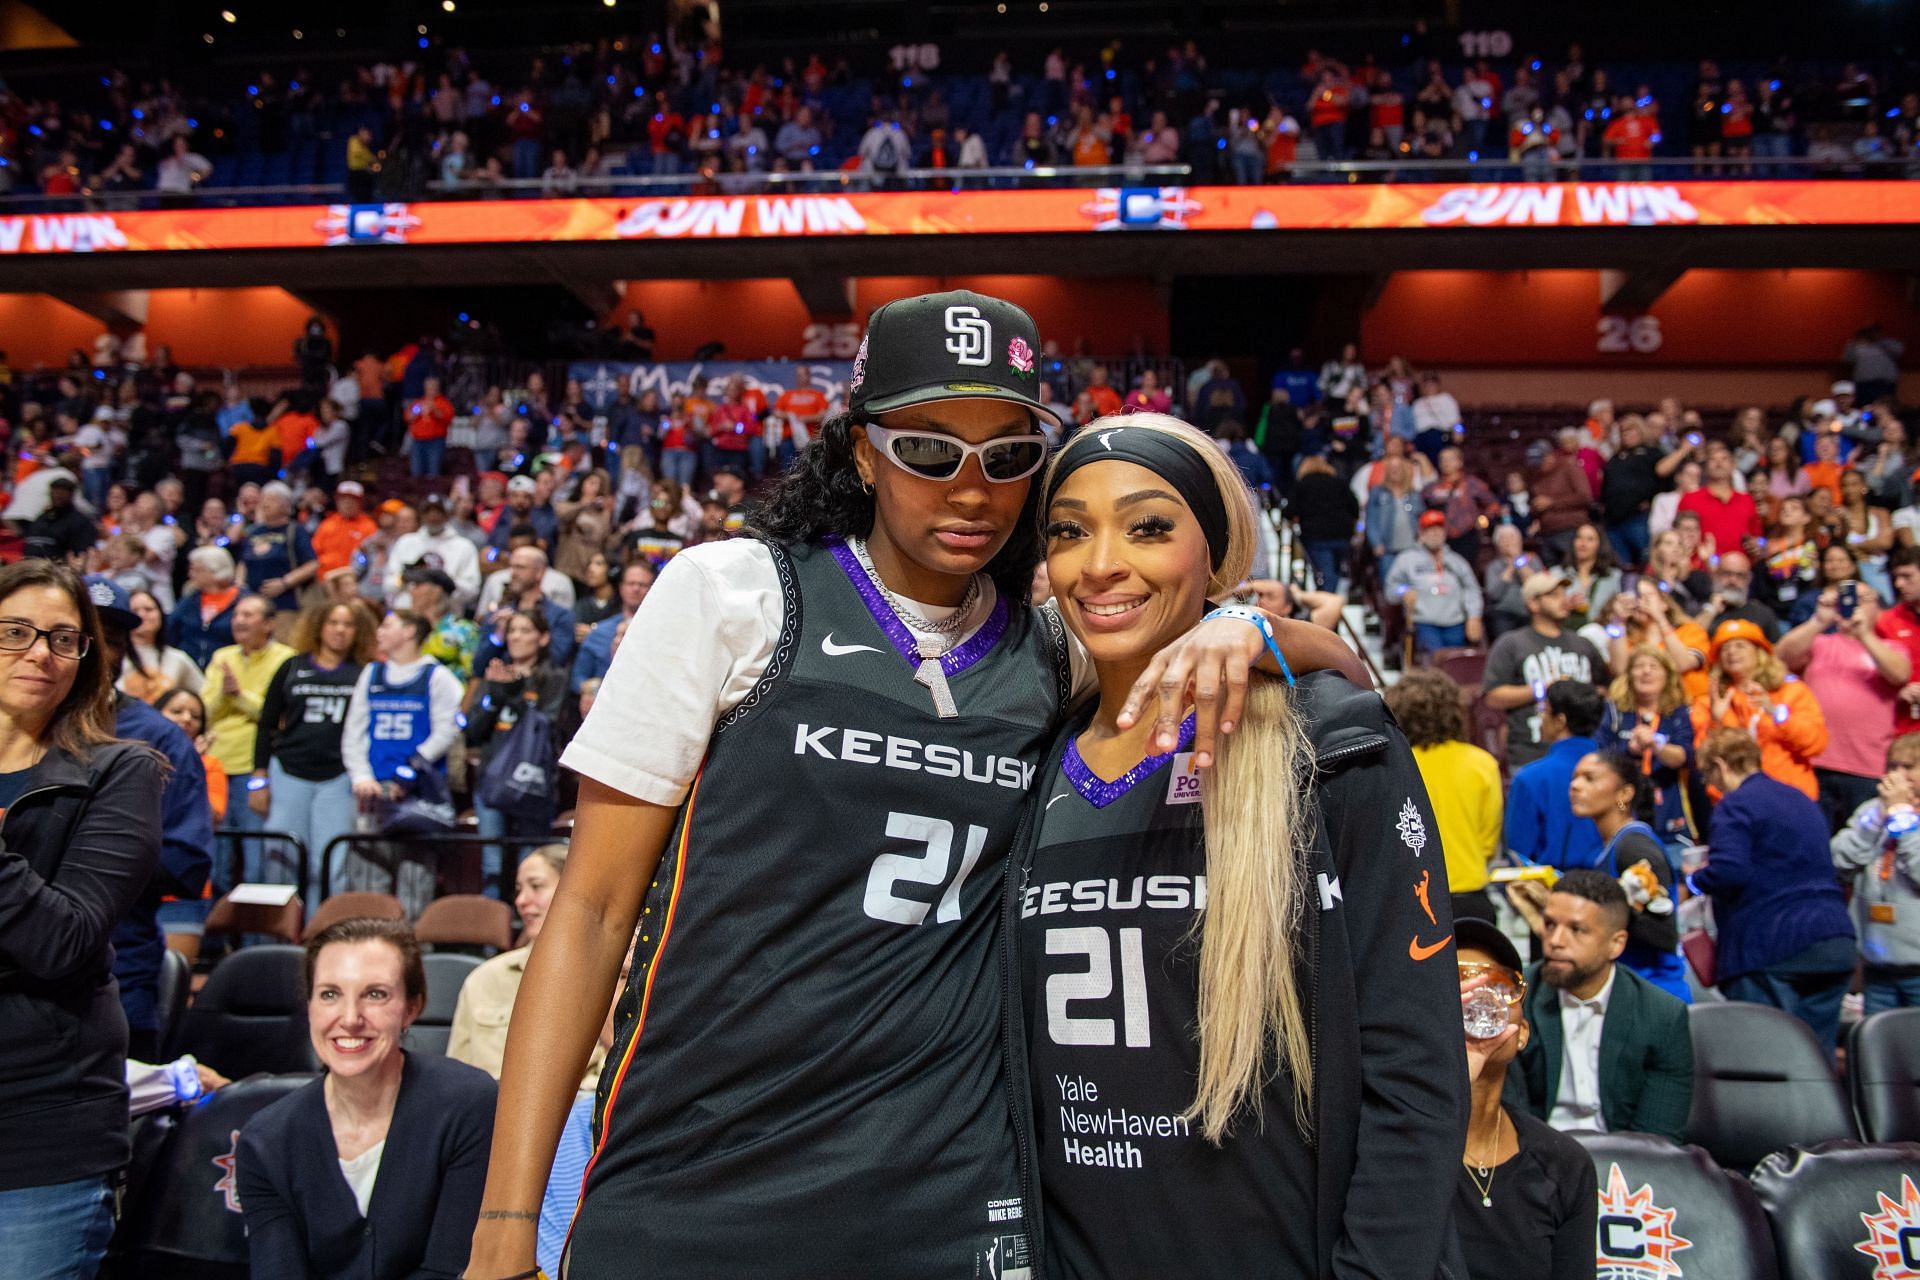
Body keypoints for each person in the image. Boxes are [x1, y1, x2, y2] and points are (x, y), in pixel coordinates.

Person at [462, 292, 1361, 1278]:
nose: (971, 489)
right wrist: (507, 1219)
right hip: (699, 1174)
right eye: (931, 451)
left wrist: (1258, 630)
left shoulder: (1054, 649)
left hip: (949, 1198)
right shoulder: (735, 593)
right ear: (861, 451)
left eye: (1008, 455)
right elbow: (588, 910)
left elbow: (1348, 674)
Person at [1019, 413, 1466, 1279]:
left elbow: (1415, 1074)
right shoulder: (1031, 760)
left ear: (1214, 553)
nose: (1101, 562)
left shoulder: (1332, 744)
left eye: (1149, 526)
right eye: (1069, 531)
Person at [0, 560, 163, 1279]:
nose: (41, 652)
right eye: (17, 632)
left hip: (40, 1132)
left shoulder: (121, 772)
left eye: (64, 639)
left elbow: (63, 940)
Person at [236, 919, 496, 1278]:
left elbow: (451, 1270)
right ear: (309, 1005)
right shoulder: (265, 1140)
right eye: (329, 994)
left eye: (375, 994)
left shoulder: (468, 1104)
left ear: (411, 1008)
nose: (350, 1018)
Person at [90, 576, 214, 1063]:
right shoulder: (19, 726)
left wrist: (81, 852)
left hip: (116, 975)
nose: (100, 650)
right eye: (84, 635)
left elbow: (187, 864)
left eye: (114, 639)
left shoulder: (159, 738)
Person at [1693, 727, 1857, 1058]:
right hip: (1834, 940)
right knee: (1816, 1062)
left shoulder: (1735, 804)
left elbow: (1729, 871)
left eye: (1708, 773)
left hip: (1771, 943)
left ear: (1722, 765)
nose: (1711, 784)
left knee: (1767, 1059)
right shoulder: (1800, 799)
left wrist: (1696, 879)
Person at [1451, 918, 1597, 1280]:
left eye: (1497, 986)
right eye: (1458, 983)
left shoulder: (1565, 1163)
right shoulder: (1392, 1147)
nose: (1478, 998)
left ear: (1522, 1034)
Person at [1506, 870, 1693, 1140]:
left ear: (1616, 944)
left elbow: (1658, 1141)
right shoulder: (1517, 1000)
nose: (1555, 941)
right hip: (1537, 1162)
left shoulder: (1663, 1016)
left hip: (1626, 1166)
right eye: (1549, 925)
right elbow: (1509, 1124)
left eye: (1577, 930)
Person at [447, 845, 605, 1091]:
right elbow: (456, 1081)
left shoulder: (612, 979)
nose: (521, 901)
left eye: (536, 886)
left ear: (574, 889)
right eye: (519, 890)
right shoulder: (485, 980)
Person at [254, 600, 377, 906]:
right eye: (333, 622)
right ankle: (278, 939)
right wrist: (259, 779)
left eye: (348, 625)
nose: (340, 631)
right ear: (319, 626)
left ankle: (319, 935)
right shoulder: (293, 667)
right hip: (288, 771)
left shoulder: (363, 674)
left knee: (330, 863)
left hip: (338, 777)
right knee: (280, 858)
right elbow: (267, 723)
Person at [1776, 579, 1909, 830]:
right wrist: (1819, 620)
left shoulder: (1890, 647)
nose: (1853, 605)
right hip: (1815, 764)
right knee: (1817, 845)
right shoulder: (1819, 643)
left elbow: (1899, 673)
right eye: (1848, 599)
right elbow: (1781, 657)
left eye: (1863, 600)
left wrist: (1864, 634)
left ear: (1877, 607)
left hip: (1867, 768)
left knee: (1864, 847)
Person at [1560, 751, 1689, 1000]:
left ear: (1625, 793)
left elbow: (1664, 934)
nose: (1575, 786)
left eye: (1590, 778)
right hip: (1628, 990)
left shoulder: (1634, 846)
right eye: (1574, 778)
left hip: (1654, 994)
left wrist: (1597, 909)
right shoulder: (1606, 848)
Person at [1387, 667, 1503, 924]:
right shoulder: (1482, 763)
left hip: (1413, 897)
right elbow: (1488, 842)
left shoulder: (1393, 765)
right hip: (1471, 899)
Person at [465, 609, 568, 893]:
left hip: (533, 782)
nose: (516, 637)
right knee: (492, 868)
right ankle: (491, 937)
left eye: (525, 630)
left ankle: (529, 936)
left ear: (543, 637)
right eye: (512, 631)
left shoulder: (554, 677)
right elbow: (473, 730)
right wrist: (496, 699)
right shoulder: (495, 675)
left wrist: (517, 695)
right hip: (492, 782)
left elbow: (550, 724)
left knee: (532, 866)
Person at [203, 594, 296, 887]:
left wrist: (239, 696)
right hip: (218, 762)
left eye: (248, 615)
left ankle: (256, 934)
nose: (239, 621)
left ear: (269, 624)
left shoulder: (285, 658)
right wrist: (225, 694)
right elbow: (205, 711)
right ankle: (216, 932)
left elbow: (275, 715)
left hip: (254, 767)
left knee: (256, 860)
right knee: (217, 861)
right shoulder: (223, 656)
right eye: (236, 615)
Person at [1691, 617, 1827, 801]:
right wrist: (1717, 721)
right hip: (1734, 801)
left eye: (1740, 646)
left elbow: (1815, 744)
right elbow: (1703, 759)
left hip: (1789, 796)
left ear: (1759, 652)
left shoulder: (1792, 691)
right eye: (1725, 648)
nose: (1732, 652)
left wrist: (1776, 714)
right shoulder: (1709, 701)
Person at [1831, 734, 1920, 1013]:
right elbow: (1838, 860)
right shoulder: (1871, 812)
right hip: (1878, 965)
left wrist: (1902, 818)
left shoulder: (1900, 816)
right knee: (1882, 1049)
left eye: (1907, 767)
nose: (1896, 776)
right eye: (1892, 766)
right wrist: (1876, 823)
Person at [1481, 572, 1606, 770]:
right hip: (1531, 752)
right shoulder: (1511, 644)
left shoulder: (1582, 644)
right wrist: (1543, 689)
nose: (1563, 600)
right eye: (1553, 595)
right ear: (1533, 604)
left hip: (1585, 753)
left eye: (1564, 594)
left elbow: (1604, 688)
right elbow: (1493, 696)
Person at [1599, 646, 1699, 850]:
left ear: (1667, 676)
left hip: (1670, 808)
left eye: (1654, 666)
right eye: (1639, 666)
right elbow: (1599, 755)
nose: (1646, 671)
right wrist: (1629, 750)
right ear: (1629, 675)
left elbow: (1684, 756)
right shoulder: (1614, 712)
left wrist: (1656, 745)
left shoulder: (1678, 713)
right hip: (1623, 807)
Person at [1505, 681, 1605, 869]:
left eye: (1543, 711)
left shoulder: (1530, 778)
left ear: (1560, 721)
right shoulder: (1618, 770)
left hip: (1554, 891)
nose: (1541, 718)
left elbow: (1518, 855)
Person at [1385, 509, 1484, 655]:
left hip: (1455, 622)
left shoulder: (1457, 561)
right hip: (1424, 623)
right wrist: (1404, 591)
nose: (1435, 534)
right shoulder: (1407, 559)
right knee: (1434, 660)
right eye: (1430, 530)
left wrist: (1474, 616)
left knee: (1455, 662)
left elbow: (1472, 589)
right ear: (1421, 534)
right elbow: (1391, 589)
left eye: (1439, 529)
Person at [570, 561, 654, 691]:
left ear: (653, 589)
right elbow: (577, 679)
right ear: (621, 588)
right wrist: (592, 687)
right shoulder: (600, 632)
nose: (636, 589)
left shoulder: (659, 634)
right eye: (631, 583)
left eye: (643, 585)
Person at [119, 587, 203, 703]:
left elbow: (203, 695)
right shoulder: (115, 656)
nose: (142, 615)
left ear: (161, 615)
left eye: (148, 610)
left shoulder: (178, 659)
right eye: (135, 611)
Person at [166, 545, 242, 669]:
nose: (191, 575)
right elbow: (171, 629)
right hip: (189, 669)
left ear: (215, 571)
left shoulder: (242, 601)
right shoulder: (189, 600)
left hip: (227, 669)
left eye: (197, 570)